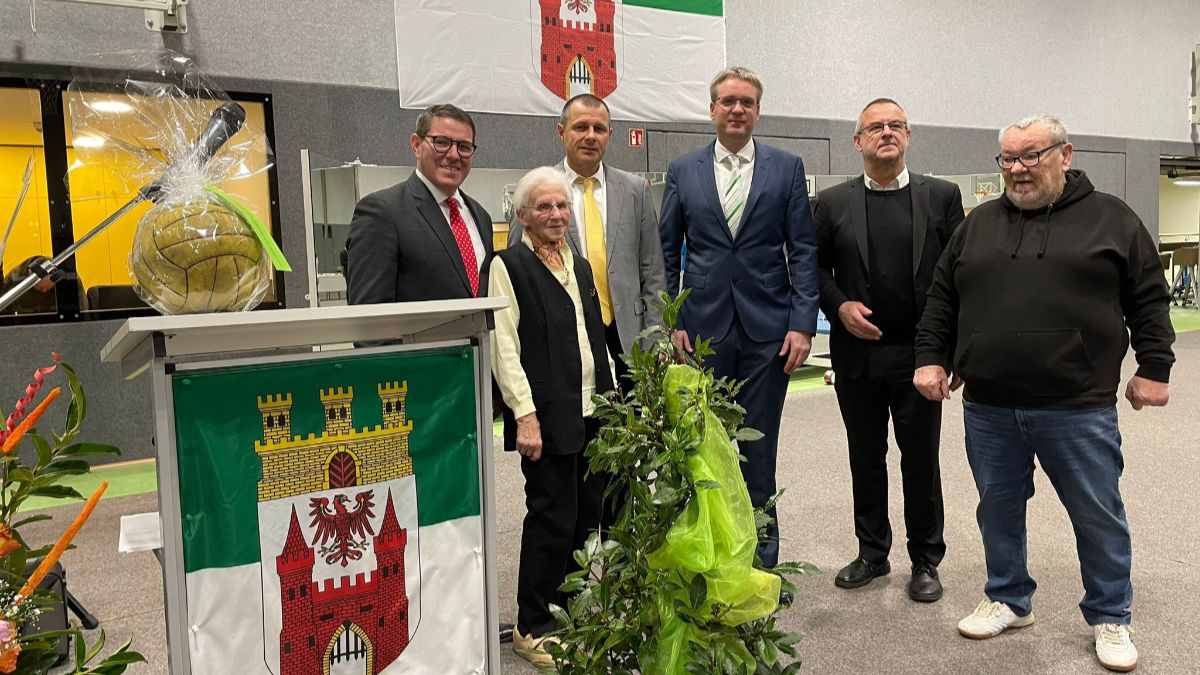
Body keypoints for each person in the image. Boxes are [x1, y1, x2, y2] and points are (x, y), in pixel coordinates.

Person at [913, 114, 1175, 672]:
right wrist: (931, 356)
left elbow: (1149, 298)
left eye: (1031, 155)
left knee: (1097, 514)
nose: (1018, 169)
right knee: (997, 510)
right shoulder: (978, 224)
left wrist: (1155, 366)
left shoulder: (1113, 219)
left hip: (1076, 404)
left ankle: (1110, 614)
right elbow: (942, 297)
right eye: (1008, 158)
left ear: (1065, 154)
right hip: (989, 404)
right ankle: (1009, 598)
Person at [659, 66, 819, 570]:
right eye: (728, 101)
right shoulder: (683, 170)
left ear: (757, 111)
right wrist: (670, 321)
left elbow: (804, 250)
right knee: (700, 447)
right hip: (699, 332)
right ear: (712, 109)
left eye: (746, 102)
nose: (737, 109)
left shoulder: (786, 168)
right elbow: (667, 251)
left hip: (767, 333)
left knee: (759, 449)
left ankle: (761, 560)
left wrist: (802, 323)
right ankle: (705, 555)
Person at [814, 98, 963, 602]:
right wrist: (839, 306)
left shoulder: (941, 196)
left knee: (921, 461)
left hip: (920, 357)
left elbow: (959, 276)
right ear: (858, 141)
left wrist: (951, 350)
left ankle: (926, 559)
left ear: (908, 135)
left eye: (896, 125)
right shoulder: (832, 203)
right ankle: (873, 553)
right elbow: (814, 270)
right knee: (865, 457)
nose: (887, 133)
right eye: (875, 127)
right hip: (857, 357)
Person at [489, 167, 615, 669]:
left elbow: (593, 338)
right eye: (544, 206)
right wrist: (524, 415)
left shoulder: (578, 265)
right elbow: (504, 347)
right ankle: (532, 625)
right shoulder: (508, 266)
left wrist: (613, 405)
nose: (556, 214)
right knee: (552, 517)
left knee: (588, 517)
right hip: (547, 415)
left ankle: (568, 613)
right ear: (522, 215)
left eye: (562, 205)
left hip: (593, 410)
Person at [508, 94, 667, 384]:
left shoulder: (635, 191)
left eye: (599, 129)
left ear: (610, 134)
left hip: (629, 336)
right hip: (566, 338)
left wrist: (656, 337)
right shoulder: (535, 190)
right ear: (561, 132)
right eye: (581, 127)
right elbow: (517, 273)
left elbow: (653, 272)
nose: (590, 136)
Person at [346, 104, 492, 305]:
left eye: (464, 147)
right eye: (441, 142)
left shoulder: (481, 217)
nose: (453, 155)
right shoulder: (382, 213)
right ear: (416, 145)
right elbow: (369, 315)